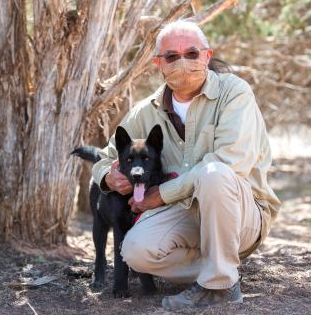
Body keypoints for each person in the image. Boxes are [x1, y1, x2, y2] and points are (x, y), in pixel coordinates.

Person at [92, 20, 281, 310]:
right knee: (135, 251)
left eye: (192, 53)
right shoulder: (146, 111)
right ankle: (218, 264)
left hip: (241, 214)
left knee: (215, 174)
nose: (182, 62)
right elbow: (106, 157)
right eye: (171, 56)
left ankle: (220, 284)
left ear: (207, 56)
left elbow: (232, 161)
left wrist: (162, 195)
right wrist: (108, 177)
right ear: (159, 63)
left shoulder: (234, 93)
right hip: (183, 215)